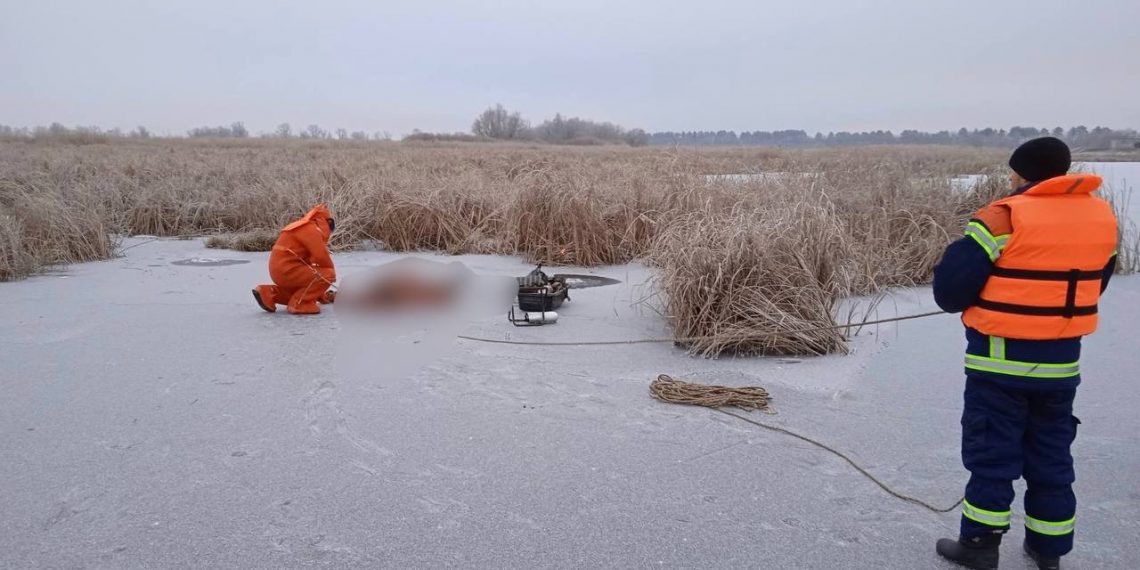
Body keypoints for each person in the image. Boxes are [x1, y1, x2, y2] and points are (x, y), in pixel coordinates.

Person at [931, 137, 1118, 570]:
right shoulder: (1101, 217)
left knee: (992, 455)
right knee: (1051, 456)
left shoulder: (1003, 216)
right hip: (1061, 366)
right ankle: (1048, 551)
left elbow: (951, 292)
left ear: (1021, 173)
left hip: (998, 365)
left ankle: (979, 545)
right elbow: (1093, 285)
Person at [252, 203, 338, 314]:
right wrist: (330, 277)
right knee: (328, 274)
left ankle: (269, 293)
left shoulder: (301, 226)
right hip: (288, 270)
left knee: (301, 290)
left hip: (280, 270)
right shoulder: (311, 230)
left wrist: (320, 294)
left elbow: (311, 268)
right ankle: (300, 304)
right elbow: (321, 258)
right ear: (327, 223)